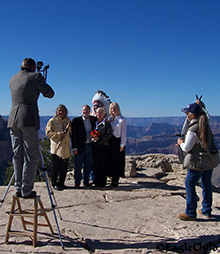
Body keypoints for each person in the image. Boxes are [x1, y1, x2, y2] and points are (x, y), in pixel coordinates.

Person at [7, 57, 54, 198]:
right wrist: (43, 82)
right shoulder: (35, 76)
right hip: (28, 119)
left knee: (17, 155)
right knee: (31, 156)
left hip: (13, 120)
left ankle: (18, 187)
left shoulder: (12, 78)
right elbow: (49, 93)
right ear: (33, 67)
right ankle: (26, 189)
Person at [177, 103, 219, 220]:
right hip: (208, 161)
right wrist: (203, 106)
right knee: (207, 184)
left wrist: (181, 143)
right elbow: (207, 116)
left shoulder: (193, 129)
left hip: (198, 162)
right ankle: (206, 210)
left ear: (191, 115)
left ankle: (190, 213)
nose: (186, 114)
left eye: (187, 113)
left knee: (189, 184)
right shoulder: (205, 124)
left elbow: (187, 148)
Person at [45, 104, 71, 190]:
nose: (61, 112)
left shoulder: (68, 122)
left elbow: (70, 133)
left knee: (64, 167)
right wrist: (59, 134)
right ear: (57, 111)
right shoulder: (52, 121)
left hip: (66, 148)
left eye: (63, 111)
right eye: (59, 111)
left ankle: (62, 182)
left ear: (65, 112)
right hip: (56, 148)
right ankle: (54, 183)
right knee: (55, 167)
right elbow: (48, 133)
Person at [71, 105, 96, 188]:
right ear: (82, 110)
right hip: (79, 147)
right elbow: (74, 135)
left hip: (89, 146)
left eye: (88, 110)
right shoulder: (76, 121)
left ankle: (86, 181)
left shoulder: (93, 120)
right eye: (84, 110)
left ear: (90, 111)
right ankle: (77, 182)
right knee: (78, 166)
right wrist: (74, 147)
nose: (86, 111)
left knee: (88, 165)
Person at [91, 107, 112, 187]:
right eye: (97, 113)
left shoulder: (106, 123)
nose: (98, 114)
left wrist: (99, 138)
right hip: (95, 146)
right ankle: (96, 181)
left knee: (102, 164)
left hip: (103, 146)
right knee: (95, 163)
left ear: (104, 114)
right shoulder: (94, 122)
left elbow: (109, 134)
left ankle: (102, 182)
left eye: (100, 113)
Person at [108, 102, 126, 187]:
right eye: (111, 108)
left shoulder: (122, 119)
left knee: (117, 161)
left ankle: (115, 180)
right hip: (111, 141)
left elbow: (123, 133)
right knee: (111, 161)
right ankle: (112, 179)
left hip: (118, 141)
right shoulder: (110, 119)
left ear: (118, 109)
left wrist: (122, 145)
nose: (113, 110)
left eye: (115, 108)